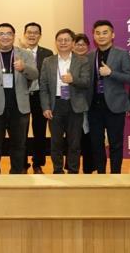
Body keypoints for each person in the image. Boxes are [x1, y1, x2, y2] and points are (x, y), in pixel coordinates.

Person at [0, 23, 38, 174]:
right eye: (1, 34)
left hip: (19, 108)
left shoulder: (25, 54)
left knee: (19, 145)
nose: (5, 37)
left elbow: (35, 75)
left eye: (8, 34)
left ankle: (17, 174)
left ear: (13, 36)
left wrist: (24, 68)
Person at [39, 29, 91, 174]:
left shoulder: (82, 60)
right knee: (56, 142)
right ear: (56, 42)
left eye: (67, 40)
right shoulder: (48, 61)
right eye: (60, 40)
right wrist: (45, 107)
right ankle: (57, 171)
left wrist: (73, 80)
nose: (63, 43)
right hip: (55, 105)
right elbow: (43, 87)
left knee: (74, 142)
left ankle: (73, 171)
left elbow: (86, 82)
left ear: (73, 43)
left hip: (75, 105)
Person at [86, 20, 130, 174]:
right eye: (97, 33)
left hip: (115, 106)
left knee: (116, 144)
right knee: (96, 144)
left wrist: (111, 73)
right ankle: (101, 174)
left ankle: (115, 175)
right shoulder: (90, 55)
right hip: (94, 107)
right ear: (93, 36)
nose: (101, 36)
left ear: (112, 35)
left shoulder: (122, 53)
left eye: (105, 32)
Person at [21, 22, 53, 174]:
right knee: (21, 131)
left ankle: (38, 163)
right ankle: (22, 163)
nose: (32, 35)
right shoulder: (18, 52)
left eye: (35, 32)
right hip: (22, 96)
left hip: (40, 96)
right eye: (29, 32)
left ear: (40, 35)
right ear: (24, 34)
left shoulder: (47, 53)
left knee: (40, 131)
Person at [73, 33, 95, 174]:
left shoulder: (92, 60)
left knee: (88, 137)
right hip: (72, 105)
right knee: (73, 138)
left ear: (88, 46)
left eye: (83, 44)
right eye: (77, 44)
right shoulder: (68, 61)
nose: (80, 47)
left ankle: (88, 168)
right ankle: (72, 168)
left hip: (90, 104)